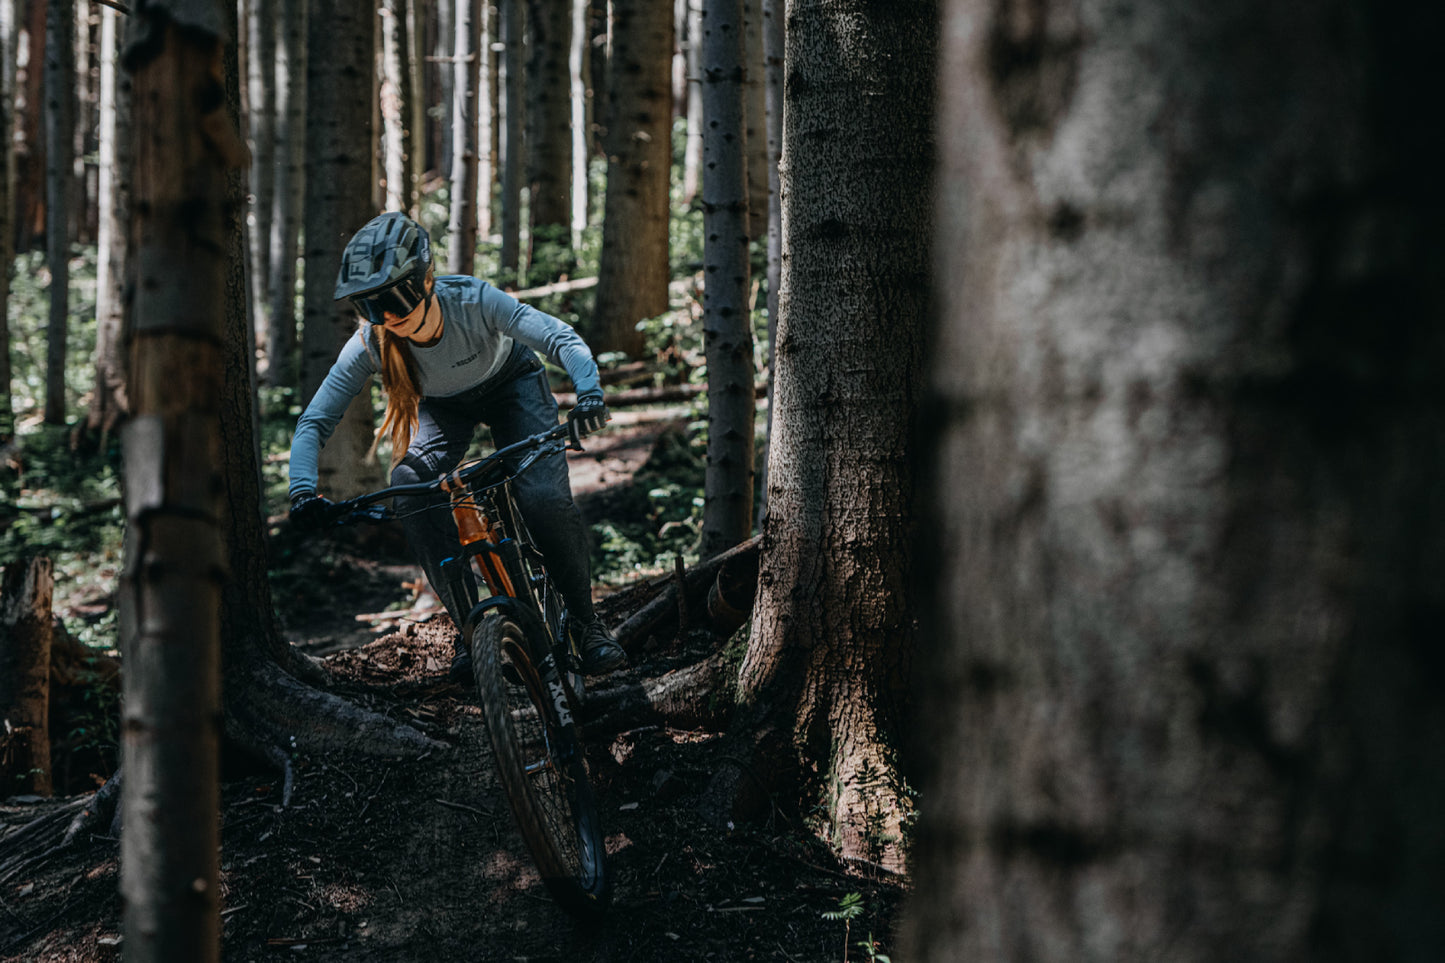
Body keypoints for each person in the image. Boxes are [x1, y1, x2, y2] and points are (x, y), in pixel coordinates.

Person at [287, 211, 626, 682]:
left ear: (427, 279)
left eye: (397, 298)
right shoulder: (371, 342)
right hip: (444, 409)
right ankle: (473, 632)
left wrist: (589, 390)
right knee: (408, 487)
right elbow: (315, 421)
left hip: (514, 387)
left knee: (543, 500)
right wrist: (302, 491)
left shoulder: (473, 300)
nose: (389, 317)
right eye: (370, 306)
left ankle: (589, 628)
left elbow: (556, 336)